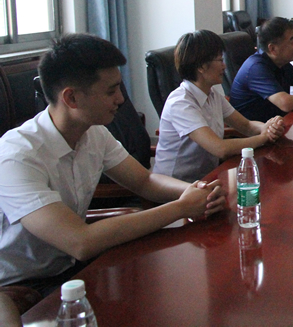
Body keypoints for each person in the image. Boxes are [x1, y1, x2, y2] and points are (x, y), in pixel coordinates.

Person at [0, 34, 226, 312]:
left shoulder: (94, 133)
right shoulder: (18, 156)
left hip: (71, 270)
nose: (120, 99)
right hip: (21, 286)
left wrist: (195, 190)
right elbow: (80, 241)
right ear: (71, 97)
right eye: (111, 91)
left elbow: (144, 180)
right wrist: (182, 207)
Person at [151, 30, 285, 182]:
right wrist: (263, 138)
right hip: (176, 186)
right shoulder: (181, 103)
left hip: (206, 179)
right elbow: (220, 149)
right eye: (220, 60)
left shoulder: (212, 94)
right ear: (201, 66)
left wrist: (269, 127)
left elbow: (246, 126)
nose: (224, 66)